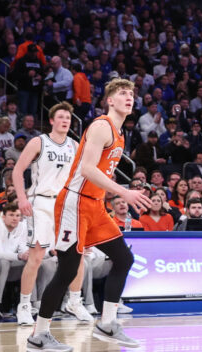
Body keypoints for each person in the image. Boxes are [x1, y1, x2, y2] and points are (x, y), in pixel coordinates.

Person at [28, 79, 151, 351]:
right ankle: (39, 334)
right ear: (110, 101)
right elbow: (87, 169)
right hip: (75, 202)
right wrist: (125, 192)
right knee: (68, 269)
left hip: (95, 205)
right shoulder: (101, 126)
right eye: (122, 94)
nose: (128, 97)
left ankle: (107, 323)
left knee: (124, 258)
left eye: (131, 94)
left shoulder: (119, 133)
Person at [12, 102, 93, 326]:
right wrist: (21, 198)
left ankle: (75, 302)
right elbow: (18, 171)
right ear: (52, 120)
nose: (65, 120)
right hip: (41, 204)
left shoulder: (75, 145)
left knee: (76, 256)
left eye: (68, 117)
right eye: (61, 117)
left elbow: (82, 177)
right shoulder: (39, 142)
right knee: (36, 256)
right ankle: (25, 306)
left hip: (65, 205)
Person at [0, 203, 29, 318]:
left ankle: (30, 305)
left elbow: (23, 247)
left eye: (17, 215)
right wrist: (19, 256)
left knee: (31, 264)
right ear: (3, 216)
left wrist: (26, 254)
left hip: (12, 263)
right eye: (11, 215)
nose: (15, 218)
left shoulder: (22, 227)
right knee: (4, 262)